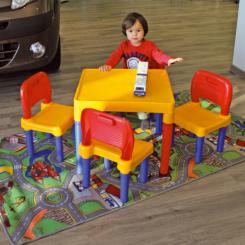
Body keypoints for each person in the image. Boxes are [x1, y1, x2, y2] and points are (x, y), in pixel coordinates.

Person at [99, 12, 183, 129]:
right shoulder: (124, 45)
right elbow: (115, 56)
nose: (134, 34)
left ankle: (144, 117)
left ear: (145, 30)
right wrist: (108, 65)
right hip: (129, 77)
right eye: (130, 31)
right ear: (125, 32)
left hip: (146, 77)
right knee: (122, 94)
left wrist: (168, 60)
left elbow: (158, 55)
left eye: (138, 30)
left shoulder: (149, 45)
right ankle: (129, 110)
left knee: (143, 98)